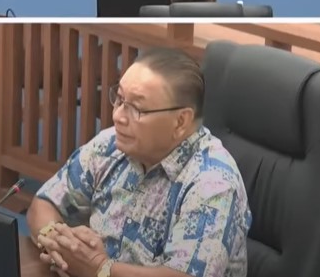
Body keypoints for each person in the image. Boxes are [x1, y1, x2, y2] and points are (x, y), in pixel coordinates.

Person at [28, 48, 251, 277]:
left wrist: (100, 269)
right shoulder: (110, 145)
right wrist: (54, 239)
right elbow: (45, 202)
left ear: (180, 121)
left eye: (136, 108)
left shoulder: (213, 183)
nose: (118, 116)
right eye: (120, 99)